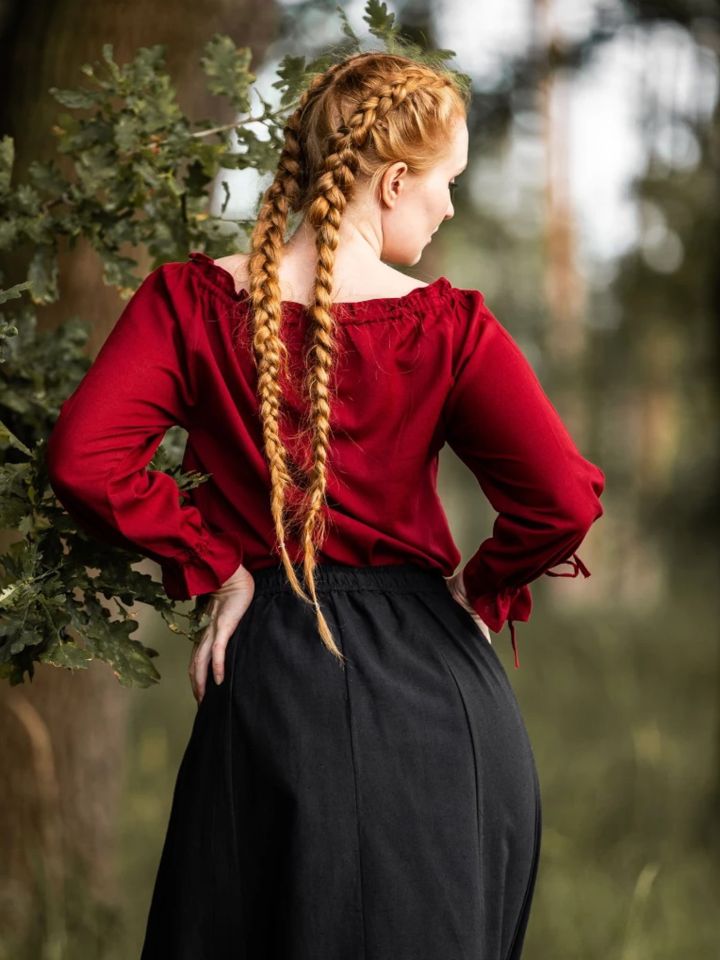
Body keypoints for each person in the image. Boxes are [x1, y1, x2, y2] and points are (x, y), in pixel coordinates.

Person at [45, 50, 605, 960]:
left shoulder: (190, 304)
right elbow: (563, 499)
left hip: (273, 676)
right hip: (440, 696)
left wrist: (216, 564)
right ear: (392, 181)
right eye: (446, 183)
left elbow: (84, 457)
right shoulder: (449, 324)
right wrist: (479, 592)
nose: (451, 207)